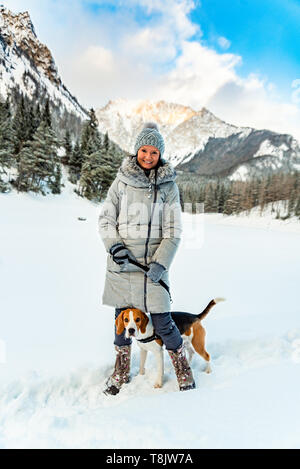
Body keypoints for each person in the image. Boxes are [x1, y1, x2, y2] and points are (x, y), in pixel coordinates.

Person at [99, 122, 195, 395]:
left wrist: (160, 263)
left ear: (160, 155)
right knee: (121, 321)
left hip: (154, 267)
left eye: (154, 152)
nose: (148, 156)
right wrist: (114, 246)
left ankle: (182, 369)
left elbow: (174, 230)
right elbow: (106, 219)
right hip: (123, 266)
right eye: (144, 150)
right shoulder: (120, 182)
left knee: (163, 321)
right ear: (137, 150)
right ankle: (120, 372)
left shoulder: (169, 186)